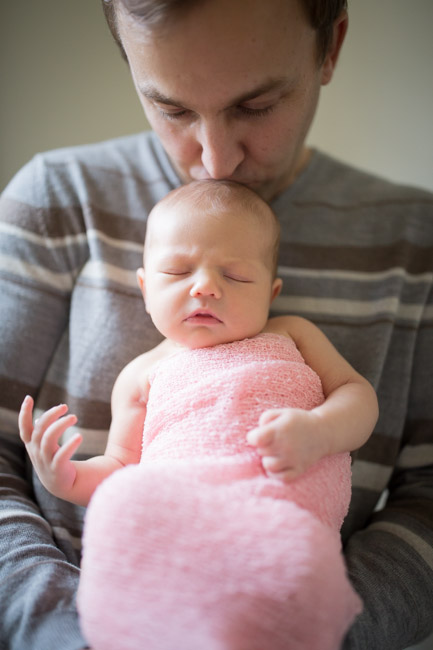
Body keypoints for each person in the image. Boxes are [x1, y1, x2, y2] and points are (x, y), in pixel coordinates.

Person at [0, 1, 431, 649]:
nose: (215, 159)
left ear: (329, 46)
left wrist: (298, 629)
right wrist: (84, 633)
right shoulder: (53, 202)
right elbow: (107, 466)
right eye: (172, 110)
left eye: (255, 106)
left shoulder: (413, 241)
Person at [17, 179, 375, 649]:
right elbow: (122, 467)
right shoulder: (142, 373)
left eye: (236, 276)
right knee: (122, 503)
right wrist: (64, 478)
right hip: (177, 526)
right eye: (178, 271)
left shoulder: (293, 335)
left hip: (273, 515)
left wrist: (319, 432)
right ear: (145, 288)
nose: (205, 287)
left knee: (295, 563)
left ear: (271, 292)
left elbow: (358, 396)